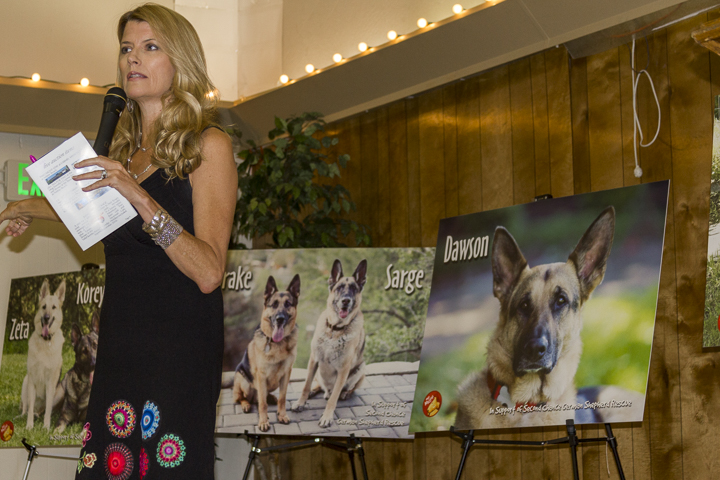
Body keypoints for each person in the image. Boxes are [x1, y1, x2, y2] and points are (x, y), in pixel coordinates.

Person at [0, 4, 237, 479]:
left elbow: (209, 271)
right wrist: (24, 207)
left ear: (180, 60)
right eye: (127, 48)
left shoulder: (207, 146)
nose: (133, 58)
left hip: (177, 350)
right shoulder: (125, 153)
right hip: (120, 346)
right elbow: (96, 217)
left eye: (150, 47)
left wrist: (138, 195)